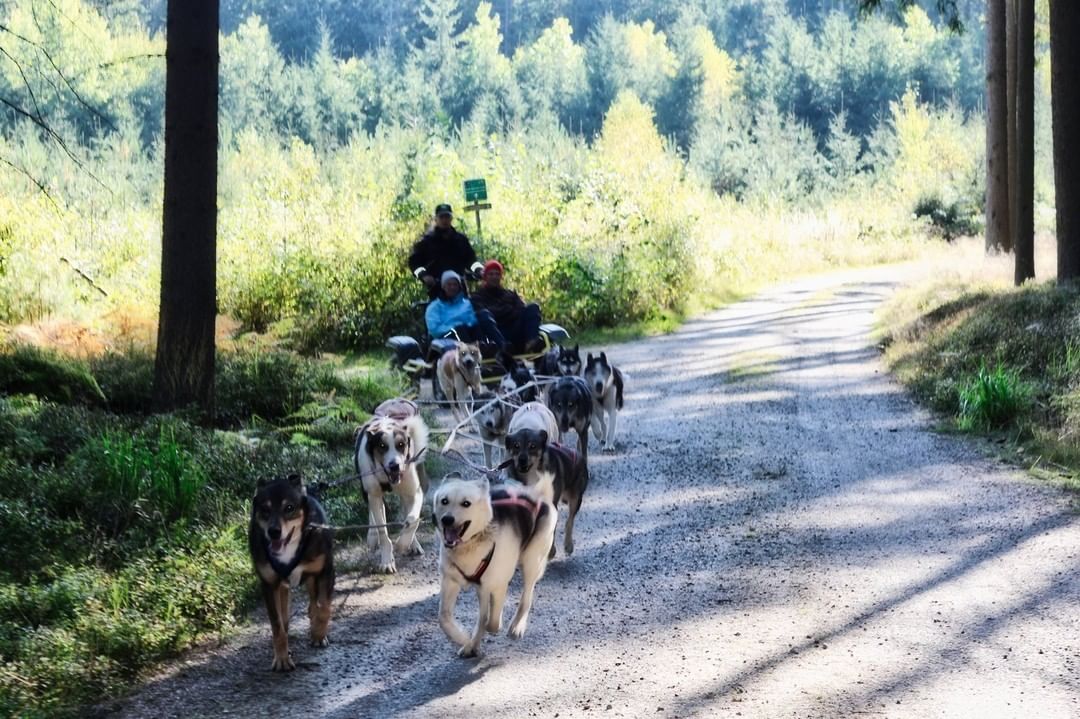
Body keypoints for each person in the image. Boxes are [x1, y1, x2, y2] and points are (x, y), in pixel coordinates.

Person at [408, 204, 483, 299]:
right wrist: (424, 276)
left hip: (459, 287)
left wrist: (479, 270)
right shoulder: (426, 242)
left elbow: (471, 260)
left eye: (447, 217)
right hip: (436, 289)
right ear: (436, 219)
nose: (444, 220)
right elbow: (414, 263)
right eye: (441, 217)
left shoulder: (461, 240)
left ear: (451, 219)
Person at [469, 259, 544, 354]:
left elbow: (521, 310)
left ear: (501, 277)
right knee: (484, 315)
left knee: (533, 307)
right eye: (491, 274)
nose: (494, 277)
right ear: (485, 277)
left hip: (514, 330)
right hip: (494, 334)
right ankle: (504, 348)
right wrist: (507, 310)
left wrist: (500, 312)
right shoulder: (477, 296)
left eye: (497, 274)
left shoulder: (510, 294)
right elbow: (484, 315)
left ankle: (532, 344)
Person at [425, 270, 505, 348]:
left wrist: (469, 324)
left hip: (468, 333)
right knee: (460, 329)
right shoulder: (434, 306)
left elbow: (472, 320)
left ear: (459, 286)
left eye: (455, 284)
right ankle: (474, 350)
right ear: (443, 286)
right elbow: (434, 330)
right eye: (449, 284)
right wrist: (455, 326)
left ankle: (500, 346)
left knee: (483, 316)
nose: (452, 287)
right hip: (445, 337)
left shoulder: (466, 303)